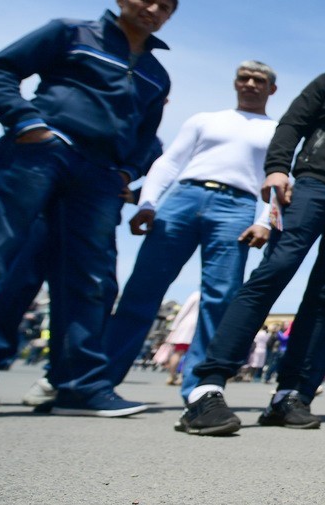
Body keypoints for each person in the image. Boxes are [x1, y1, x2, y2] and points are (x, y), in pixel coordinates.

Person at [176, 28, 325, 435]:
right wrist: (277, 167)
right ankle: (206, 387)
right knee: (273, 273)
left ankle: (291, 395)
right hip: (313, 188)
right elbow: (291, 125)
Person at [0, 0, 177, 416]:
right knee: (3, 259)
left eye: (163, 8)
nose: (152, 11)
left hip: (99, 176)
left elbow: (148, 139)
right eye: (145, 1)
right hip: (40, 153)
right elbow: (0, 71)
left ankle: (78, 385)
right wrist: (25, 122)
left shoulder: (156, 74)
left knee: (92, 277)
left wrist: (125, 173)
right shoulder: (70, 33)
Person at [100, 61, 279, 403]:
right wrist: (148, 203)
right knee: (143, 287)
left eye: (259, 80)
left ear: (272, 89)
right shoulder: (204, 119)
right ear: (235, 83)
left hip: (238, 205)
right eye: (244, 78)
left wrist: (264, 220)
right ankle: (100, 379)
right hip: (184, 197)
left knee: (220, 298)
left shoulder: (276, 130)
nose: (251, 84)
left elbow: (278, 178)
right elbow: (169, 162)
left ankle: (198, 388)